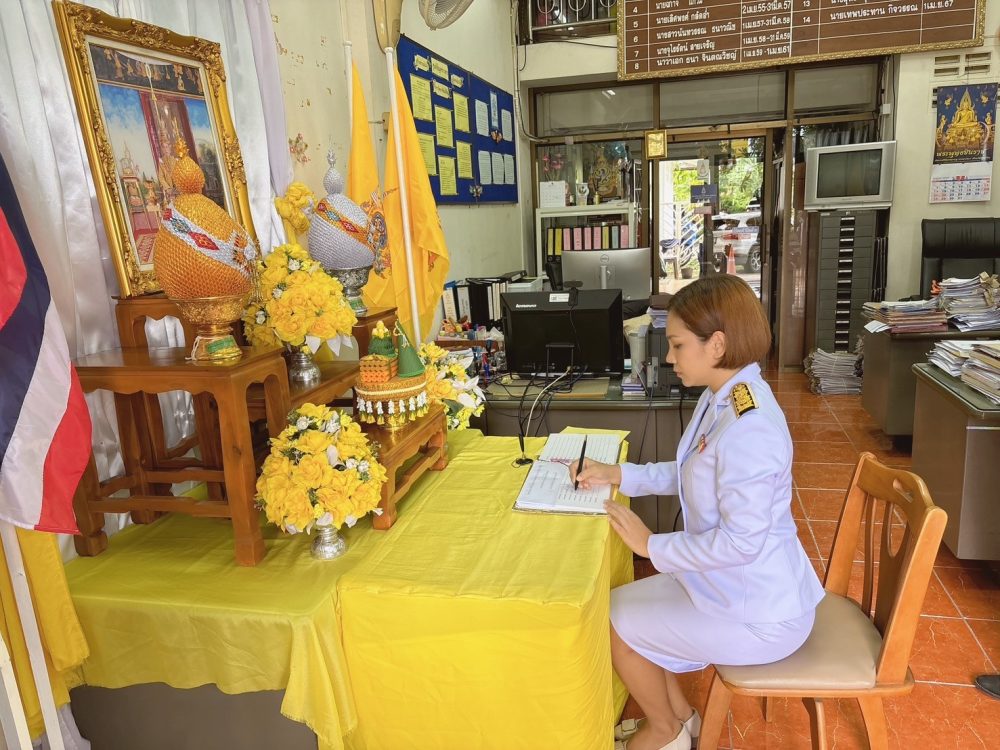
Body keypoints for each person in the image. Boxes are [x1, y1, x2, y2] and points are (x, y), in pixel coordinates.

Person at [571, 275, 824, 750]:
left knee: (616, 625)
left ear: (718, 345)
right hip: (725, 584)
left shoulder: (750, 428)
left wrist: (650, 545)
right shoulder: (724, 394)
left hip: (757, 611)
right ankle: (681, 720)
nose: (670, 358)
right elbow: (693, 471)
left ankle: (664, 732)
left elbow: (740, 543)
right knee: (616, 609)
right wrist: (620, 474)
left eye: (678, 345)